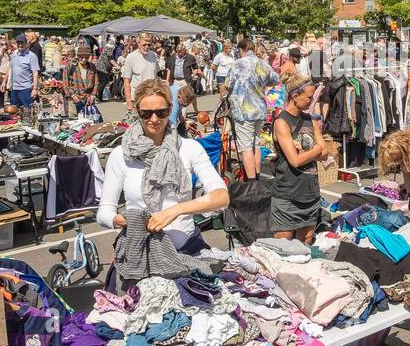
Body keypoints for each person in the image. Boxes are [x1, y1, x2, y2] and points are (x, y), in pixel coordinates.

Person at [96, 79, 229, 257]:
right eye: (146, 114)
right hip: (140, 252)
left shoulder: (189, 148)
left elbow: (221, 196)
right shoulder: (121, 155)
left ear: (171, 109)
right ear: (137, 110)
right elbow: (104, 212)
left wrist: (174, 211)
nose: (154, 119)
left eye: (161, 112)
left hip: (187, 249)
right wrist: (120, 220)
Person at [271, 76, 327, 243]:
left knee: (306, 242)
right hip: (288, 194)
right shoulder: (282, 122)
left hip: (310, 192)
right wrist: (315, 150)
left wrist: (307, 152)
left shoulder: (310, 120)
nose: (312, 100)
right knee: (284, 246)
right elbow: (295, 160)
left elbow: (325, 153)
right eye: (309, 97)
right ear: (295, 96)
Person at [224, 39, 280, 180]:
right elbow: (275, 80)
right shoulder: (263, 64)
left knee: (246, 148)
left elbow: (228, 85)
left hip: (243, 111)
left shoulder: (237, 64)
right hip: (259, 109)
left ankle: (251, 182)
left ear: (241, 50)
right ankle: (257, 176)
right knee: (256, 144)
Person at [122, 34, 160, 111]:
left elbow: (156, 76)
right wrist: (128, 101)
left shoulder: (153, 55)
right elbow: (126, 82)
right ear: (138, 44)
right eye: (144, 45)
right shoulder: (131, 57)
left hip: (152, 97)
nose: (147, 47)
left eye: (149, 45)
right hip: (137, 98)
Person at [5, 34, 40, 112]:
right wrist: (4, 82)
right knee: (14, 112)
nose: (20, 45)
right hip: (14, 89)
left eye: (22, 43)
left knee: (29, 111)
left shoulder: (32, 56)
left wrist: (34, 89)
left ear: (26, 43)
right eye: (18, 43)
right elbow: (10, 68)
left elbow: (35, 73)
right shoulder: (14, 54)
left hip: (26, 89)